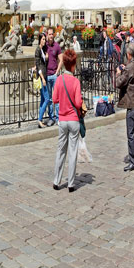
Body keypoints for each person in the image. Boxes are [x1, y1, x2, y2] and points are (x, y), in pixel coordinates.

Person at [51, 49, 84, 192]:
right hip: (74, 120)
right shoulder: (76, 81)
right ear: (73, 64)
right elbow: (77, 103)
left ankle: (56, 181)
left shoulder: (59, 79)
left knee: (60, 151)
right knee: (72, 152)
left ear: (63, 63)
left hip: (63, 120)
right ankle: (71, 183)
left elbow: (54, 99)